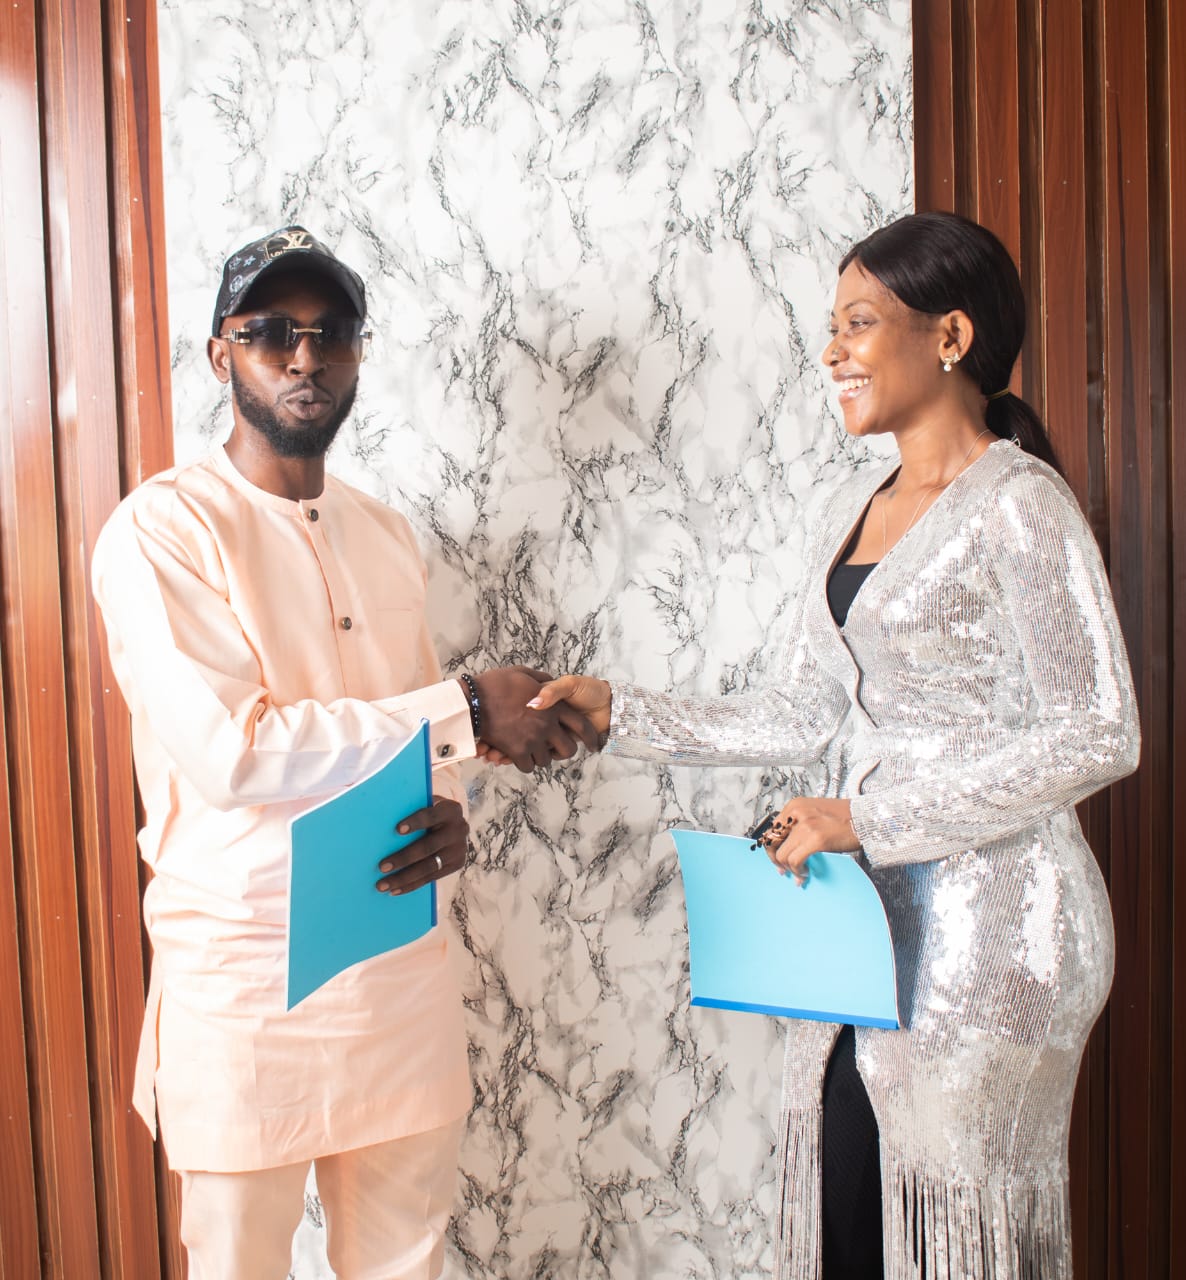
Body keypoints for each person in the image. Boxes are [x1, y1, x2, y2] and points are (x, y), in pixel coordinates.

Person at [527, 212, 1140, 1279]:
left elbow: (1098, 728)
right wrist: (620, 711)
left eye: (858, 322)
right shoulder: (860, 510)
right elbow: (798, 712)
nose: (831, 351)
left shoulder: (1019, 503)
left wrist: (867, 818)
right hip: (871, 923)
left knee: (944, 1233)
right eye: (832, 326)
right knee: (849, 1211)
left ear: (950, 337)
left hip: (1000, 929)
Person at [91, 225, 595, 1279]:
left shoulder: (386, 533)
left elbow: (413, 730)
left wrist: (445, 808)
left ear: (361, 354)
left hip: (395, 974)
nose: (305, 355)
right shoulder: (161, 532)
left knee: (406, 1264)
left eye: (332, 333)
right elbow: (235, 754)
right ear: (221, 354)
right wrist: (468, 709)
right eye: (272, 331)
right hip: (244, 984)